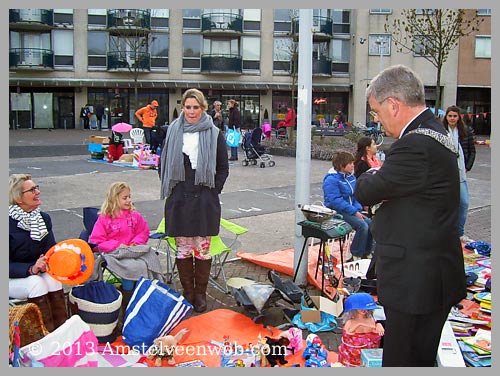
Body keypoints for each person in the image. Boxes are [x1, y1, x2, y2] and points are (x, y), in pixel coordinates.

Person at [354, 64, 466, 367]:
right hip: (431, 273)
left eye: (376, 112)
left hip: (415, 282)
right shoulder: (435, 133)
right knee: (419, 357)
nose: (376, 120)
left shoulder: (415, 144)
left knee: (403, 360)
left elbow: (365, 190)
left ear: (393, 105)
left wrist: (376, 176)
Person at [159, 88, 229, 313]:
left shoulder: (215, 133)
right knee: (182, 249)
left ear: (203, 108)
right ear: (182, 108)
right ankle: (187, 292)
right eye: (187, 107)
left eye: (195, 107)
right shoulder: (172, 131)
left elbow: (223, 168)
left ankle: (200, 294)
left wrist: (213, 191)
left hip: (204, 197)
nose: (191, 111)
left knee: (202, 249)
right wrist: (172, 188)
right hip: (180, 196)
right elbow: (163, 164)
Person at [89, 181, 164, 315]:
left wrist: (136, 242)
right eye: (125, 198)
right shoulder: (104, 218)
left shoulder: (134, 215)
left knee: (147, 262)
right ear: (114, 199)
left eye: (130, 196)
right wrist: (117, 245)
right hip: (114, 253)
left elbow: (144, 231)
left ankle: (141, 297)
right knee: (133, 267)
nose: (129, 200)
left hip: (133, 251)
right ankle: (128, 306)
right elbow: (96, 241)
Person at [9, 174, 67, 332]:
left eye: (36, 188)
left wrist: (49, 261)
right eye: (32, 190)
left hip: (36, 272)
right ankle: (43, 336)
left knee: (53, 280)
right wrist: (31, 268)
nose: (37, 192)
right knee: (37, 283)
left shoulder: (43, 218)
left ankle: (61, 333)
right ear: (18, 198)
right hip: (12, 276)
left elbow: (51, 249)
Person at [323, 151, 373, 260]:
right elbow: (335, 201)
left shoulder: (351, 178)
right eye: (350, 163)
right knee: (362, 225)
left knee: (371, 223)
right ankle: (355, 255)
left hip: (350, 210)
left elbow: (355, 196)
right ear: (341, 165)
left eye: (352, 163)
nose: (353, 166)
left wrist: (360, 207)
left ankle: (367, 252)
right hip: (336, 212)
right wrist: (354, 212)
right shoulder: (331, 180)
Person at [442, 105, 476, 242]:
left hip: (460, 172)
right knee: (445, 203)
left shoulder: (465, 131)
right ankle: (444, 232)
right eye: (450, 116)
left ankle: (459, 233)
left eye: (455, 116)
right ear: (446, 117)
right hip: (445, 173)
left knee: (463, 202)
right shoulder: (441, 131)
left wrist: (467, 166)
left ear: (459, 117)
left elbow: (472, 151)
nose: (452, 118)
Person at [337, 293, 384, 367]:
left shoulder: (371, 320)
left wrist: (379, 325)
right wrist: (359, 324)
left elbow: (375, 331)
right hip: (352, 360)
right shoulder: (350, 323)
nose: (364, 310)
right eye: (360, 307)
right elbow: (348, 335)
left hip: (369, 358)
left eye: (366, 308)